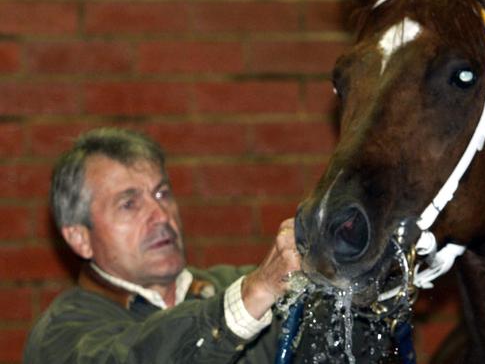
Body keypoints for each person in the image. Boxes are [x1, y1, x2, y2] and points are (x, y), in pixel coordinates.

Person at [24, 127, 302, 363]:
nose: (160, 215)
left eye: (162, 193)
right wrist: (249, 298)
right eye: (129, 204)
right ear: (80, 238)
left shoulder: (231, 284)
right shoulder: (62, 334)